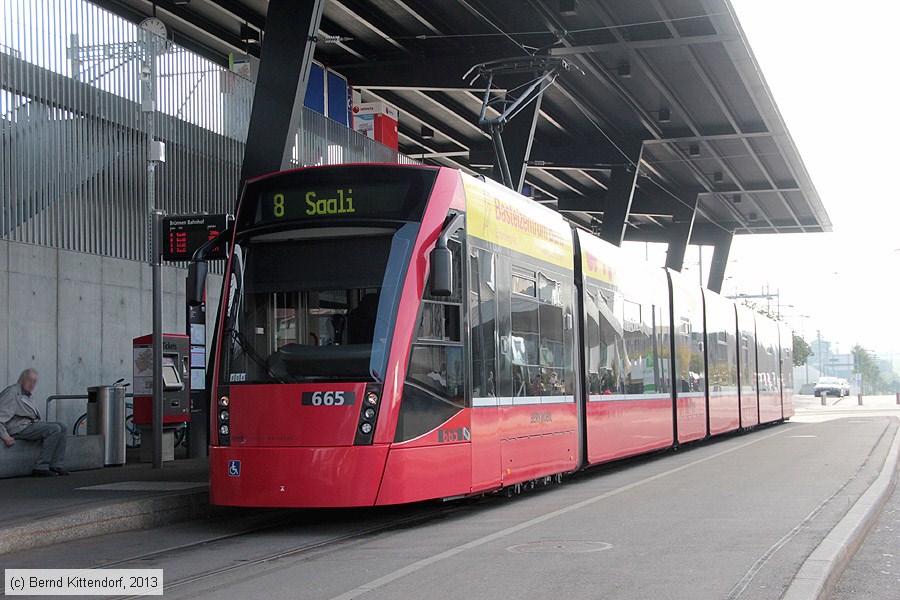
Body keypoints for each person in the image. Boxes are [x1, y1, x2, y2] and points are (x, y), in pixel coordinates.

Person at [0, 369, 69, 477]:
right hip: (18, 427)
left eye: (34, 381)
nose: (32, 384)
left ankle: (56, 464)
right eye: (29, 380)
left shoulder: (27, 394)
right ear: (22, 379)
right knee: (54, 429)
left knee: (62, 427)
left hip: (28, 425)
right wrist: (5, 436)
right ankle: (41, 466)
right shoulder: (12, 392)